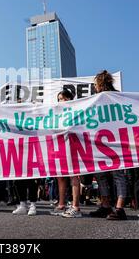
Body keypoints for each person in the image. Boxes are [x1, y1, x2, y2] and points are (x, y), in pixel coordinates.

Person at [89, 70, 128, 220]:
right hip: (100, 140)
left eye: (95, 84)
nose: (94, 87)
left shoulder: (117, 97)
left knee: (117, 174)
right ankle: (106, 206)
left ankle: (120, 208)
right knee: (100, 174)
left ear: (100, 83)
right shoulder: (96, 99)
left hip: (116, 140)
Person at [50, 90, 83, 218]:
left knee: (74, 175)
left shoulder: (77, 110)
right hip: (61, 146)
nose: (60, 101)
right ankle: (61, 204)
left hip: (73, 146)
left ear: (69, 98)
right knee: (60, 176)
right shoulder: (58, 113)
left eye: (62, 98)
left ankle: (76, 207)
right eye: (58, 99)